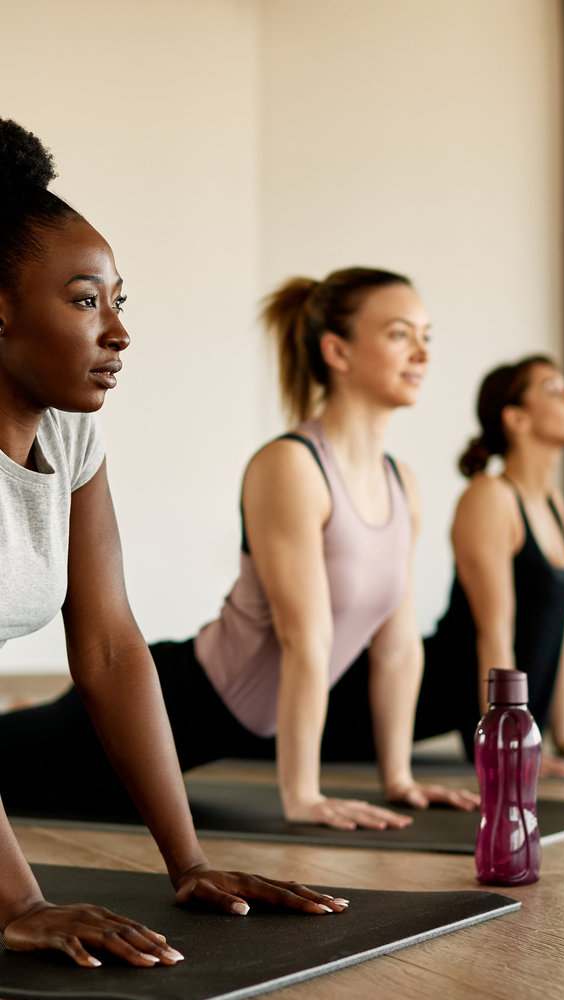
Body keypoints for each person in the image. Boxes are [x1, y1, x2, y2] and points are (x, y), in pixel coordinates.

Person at [0, 119, 344, 970]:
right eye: (85, 300)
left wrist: (187, 862)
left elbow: (112, 647)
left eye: (120, 301)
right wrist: (21, 901)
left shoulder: (73, 441)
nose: (117, 332)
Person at [0, 263, 477, 833]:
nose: (421, 353)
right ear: (338, 352)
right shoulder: (293, 466)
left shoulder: (403, 484)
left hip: (239, 728)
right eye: (400, 334)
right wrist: (303, 796)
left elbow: (398, 646)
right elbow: (306, 637)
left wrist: (398, 778)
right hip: (182, 700)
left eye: (426, 337)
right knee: (17, 761)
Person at [328, 355, 564, 775]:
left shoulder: (553, 504)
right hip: (410, 697)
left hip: (475, 705)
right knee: (266, 732)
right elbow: (495, 633)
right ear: (516, 419)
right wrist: (504, 745)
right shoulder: (489, 498)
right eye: (553, 389)